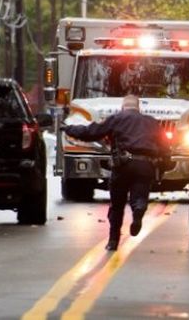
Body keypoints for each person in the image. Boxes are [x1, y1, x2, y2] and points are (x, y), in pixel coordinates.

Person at [63, 95, 170, 251]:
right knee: (139, 195)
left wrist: (69, 129)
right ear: (138, 108)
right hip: (145, 165)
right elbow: (165, 146)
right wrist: (163, 165)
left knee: (117, 205)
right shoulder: (151, 122)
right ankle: (139, 208)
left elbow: (91, 132)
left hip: (123, 165)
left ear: (123, 107)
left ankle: (113, 241)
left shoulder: (117, 118)